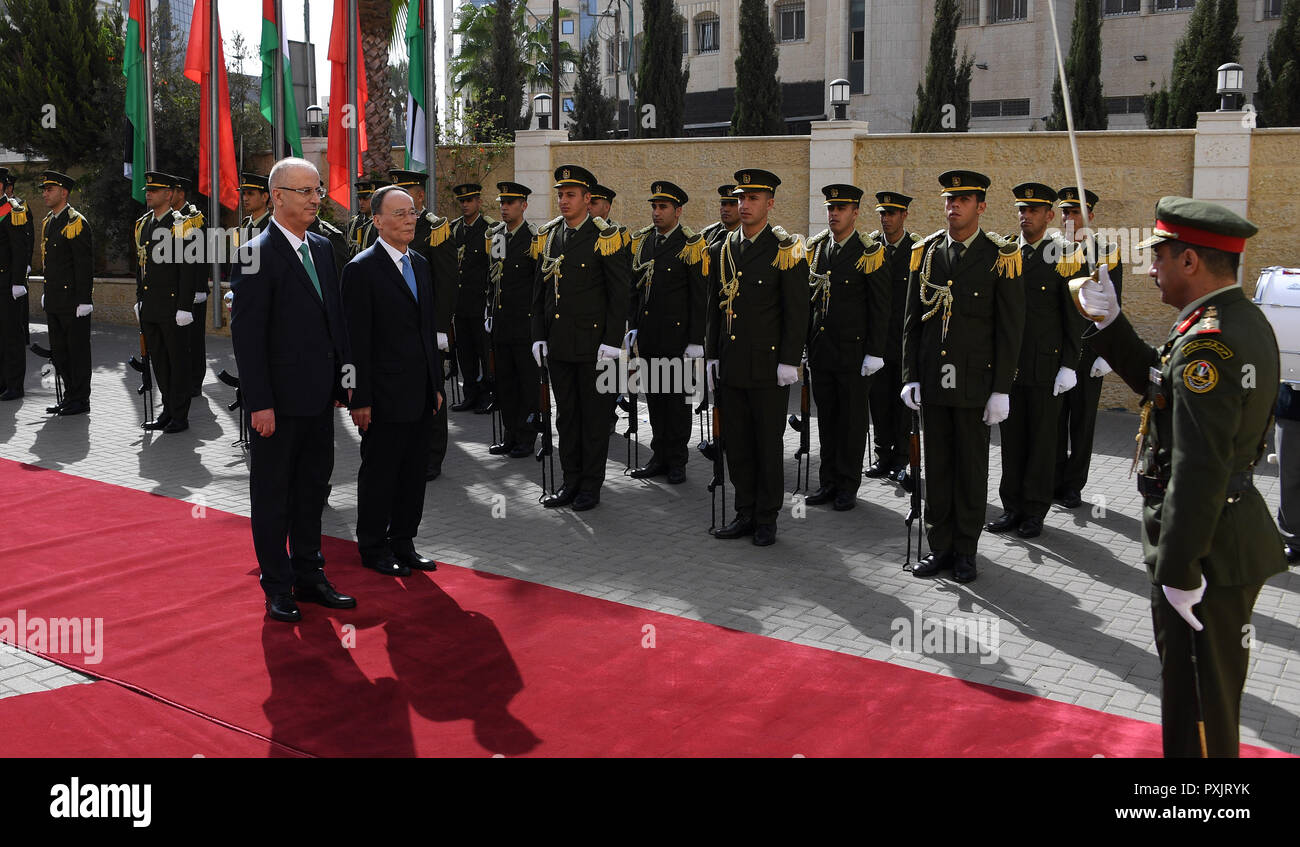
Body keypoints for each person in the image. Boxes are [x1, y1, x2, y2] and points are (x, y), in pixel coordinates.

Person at [1077, 195, 1285, 757]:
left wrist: (1178, 568)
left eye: (1159, 257)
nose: (1150, 269)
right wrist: (1112, 324)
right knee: (1207, 695)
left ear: (1190, 261)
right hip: (1223, 538)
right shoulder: (1234, 321)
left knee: (1196, 703)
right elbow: (1160, 385)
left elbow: (1199, 468)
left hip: (1206, 550)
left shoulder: (1207, 345)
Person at [230, 157, 355, 624]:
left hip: (320, 398)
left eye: (318, 189)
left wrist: (345, 380)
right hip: (277, 406)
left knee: (312, 491)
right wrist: (259, 402)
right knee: (273, 494)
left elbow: (335, 319)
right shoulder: (255, 252)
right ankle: (277, 586)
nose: (315, 198)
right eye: (305, 191)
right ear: (277, 196)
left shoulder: (323, 247)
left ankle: (310, 575)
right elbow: (248, 337)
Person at [902, 170, 1024, 584]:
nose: (952, 207)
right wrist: (911, 375)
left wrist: (1001, 389)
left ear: (981, 206)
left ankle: (966, 551)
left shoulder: (1000, 254)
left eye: (962, 201)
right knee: (937, 469)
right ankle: (939, 547)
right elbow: (913, 321)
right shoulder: (928, 252)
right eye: (949, 201)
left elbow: (1010, 329)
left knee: (970, 470)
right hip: (935, 381)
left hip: (975, 384)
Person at [342, 184, 444, 577]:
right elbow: (354, 343)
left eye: (413, 212)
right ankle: (372, 546)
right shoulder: (361, 269)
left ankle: (404, 541)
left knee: (413, 474)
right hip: (382, 397)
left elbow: (426, 330)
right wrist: (359, 399)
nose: (409, 219)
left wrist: (435, 385)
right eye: (400, 213)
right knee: (381, 474)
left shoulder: (419, 262)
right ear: (378, 220)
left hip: (420, 393)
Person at [704, 168, 809, 546]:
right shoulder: (723, 248)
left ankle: (767, 518)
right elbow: (715, 307)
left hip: (767, 367)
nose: (743, 205)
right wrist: (712, 354)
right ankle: (744, 511)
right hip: (732, 364)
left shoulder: (786, 249)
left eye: (752, 199)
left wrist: (789, 360)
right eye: (740, 198)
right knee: (738, 444)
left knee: (766, 444)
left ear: (770, 203)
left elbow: (797, 310)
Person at [530, 164, 631, 511]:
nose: (563, 201)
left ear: (588, 199)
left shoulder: (605, 237)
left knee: (594, 420)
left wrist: (612, 342)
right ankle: (570, 482)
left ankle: (591, 486)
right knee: (566, 418)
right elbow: (541, 291)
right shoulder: (551, 235)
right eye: (560, 195)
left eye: (570, 195)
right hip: (559, 345)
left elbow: (620, 293)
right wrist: (538, 336)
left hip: (594, 348)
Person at [985, 183, 1081, 539]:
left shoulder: (1064, 254)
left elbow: (1074, 314)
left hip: (1045, 366)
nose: (1026, 216)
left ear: (1049, 216)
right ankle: (1011, 507)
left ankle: (1034, 512)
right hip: (1009, 366)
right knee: (1012, 442)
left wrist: (1070, 363)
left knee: (1041, 443)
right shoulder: (1007, 252)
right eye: (1022, 210)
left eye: (1034, 211)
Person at [804, 184, 889, 511]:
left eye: (841, 209)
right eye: (830, 208)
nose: (834, 214)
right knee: (827, 420)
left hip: (854, 355)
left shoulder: (869, 252)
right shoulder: (818, 248)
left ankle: (847, 485)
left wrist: (875, 351)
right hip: (823, 351)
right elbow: (809, 302)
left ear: (855, 212)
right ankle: (828, 481)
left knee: (852, 424)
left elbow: (881, 306)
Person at [626, 180, 707, 484]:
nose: (656, 213)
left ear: (678, 211)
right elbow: (634, 290)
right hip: (649, 337)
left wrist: (696, 341)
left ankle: (677, 460)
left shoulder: (691, 244)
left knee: (676, 402)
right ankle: (658, 455)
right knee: (656, 400)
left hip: (677, 340)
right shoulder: (644, 242)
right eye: (654, 207)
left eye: (663, 208)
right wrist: (632, 326)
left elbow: (700, 298)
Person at [1054, 186, 1123, 508]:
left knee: (1081, 424)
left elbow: (1112, 306)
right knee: (1053, 422)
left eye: (1075, 212)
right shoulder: (1053, 251)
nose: (1069, 218)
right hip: (1055, 352)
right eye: (1065, 212)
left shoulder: (1106, 252)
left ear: (1090, 216)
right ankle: (1053, 479)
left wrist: (1108, 354)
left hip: (1088, 352)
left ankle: (1073, 485)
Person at [387, 169, 457, 481]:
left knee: (432, 392)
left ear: (419, 196)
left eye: (407, 194)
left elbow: (447, 281)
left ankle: (432, 456)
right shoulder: (388, 226)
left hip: (427, 326)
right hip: (395, 327)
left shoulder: (435, 228)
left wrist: (441, 327)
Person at [133, 172, 197, 433]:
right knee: (159, 362)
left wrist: (185, 306)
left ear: (169, 195)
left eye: (155, 190)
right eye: (148, 189)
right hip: (151, 307)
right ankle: (167, 411)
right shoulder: (144, 224)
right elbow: (141, 266)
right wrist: (139, 299)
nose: (149, 193)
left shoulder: (182, 225)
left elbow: (188, 269)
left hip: (172, 308)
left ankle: (180, 415)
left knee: (177, 363)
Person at [866, 191, 919, 486]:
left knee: (903, 407)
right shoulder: (872, 248)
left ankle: (902, 459)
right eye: (883, 214)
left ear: (904, 216)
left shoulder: (916, 250)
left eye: (892, 214)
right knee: (879, 402)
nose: (886, 219)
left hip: (903, 342)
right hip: (877, 343)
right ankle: (881, 455)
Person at [486, 181, 540, 458]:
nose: (504, 208)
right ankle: (510, 434)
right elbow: (494, 278)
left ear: (523, 206)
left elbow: (538, 286)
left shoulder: (534, 238)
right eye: (502, 204)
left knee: (527, 384)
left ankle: (527, 437)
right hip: (502, 322)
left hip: (525, 325)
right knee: (505, 383)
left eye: (510, 204)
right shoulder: (497, 236)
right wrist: (489, 312)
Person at [38, 171, 93, 416]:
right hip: (55, 300)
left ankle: (81, 399)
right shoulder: (49, 221)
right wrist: (45, 292)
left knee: (77, 352)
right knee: (60, 352)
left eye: (50, 189)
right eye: (44, 190)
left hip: (72, 301)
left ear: (64, 192)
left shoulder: (76, 222)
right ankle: (70, 395)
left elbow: (84, 265)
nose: (45, 194)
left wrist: (84, 300)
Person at [450, 182, 494, 413]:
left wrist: (491, 305)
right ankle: (470, 394)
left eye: (470, 200)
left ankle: (487, 394)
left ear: (478, 201)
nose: (466, 205)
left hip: (480, 305)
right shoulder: (454, 229)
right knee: (464, 353)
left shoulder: (490, 230)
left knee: (484, 353)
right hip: (460, 304)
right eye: (462, 201)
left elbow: (495, 270)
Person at [172, 176, 209, 397]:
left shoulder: (194, 218)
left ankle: (196, 381)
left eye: (173, 190)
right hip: (176, 290)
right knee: (179, 340)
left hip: (194, 291)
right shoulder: (170, 217)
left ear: (181, 193)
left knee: (194, 340)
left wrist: (198, 288)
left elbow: (200, 257)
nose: (169, 194)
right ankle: (183, 378)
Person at [0, 167, 33, 401]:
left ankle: (14, 385)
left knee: (11, 335)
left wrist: (18, 281)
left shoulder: (12, 210)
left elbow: (20, 249)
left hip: (7, 284)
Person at [346, 179, 378, 258]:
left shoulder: (381, 224)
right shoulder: (354, 223)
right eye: (360, 199)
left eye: (365, 198)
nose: (361, 203)